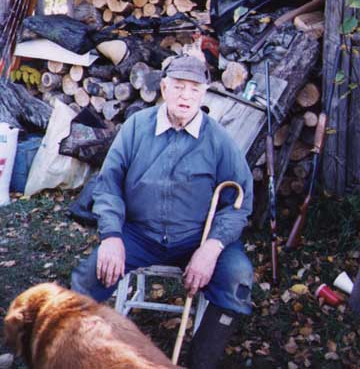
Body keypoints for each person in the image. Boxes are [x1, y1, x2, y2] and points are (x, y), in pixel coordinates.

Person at [71, 54, 253, 368]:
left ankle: (200, 362)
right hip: (139, 235)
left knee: (237, 278)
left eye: (194, 89)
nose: (186, 96)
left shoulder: (219, 140)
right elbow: (108, 184)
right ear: (164, 88)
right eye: (178, 87)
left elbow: (238, 203)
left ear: (204, 93)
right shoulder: (136, 128)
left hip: (197, 238)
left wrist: (211, 248)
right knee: (88, 278)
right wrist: (112, 236)